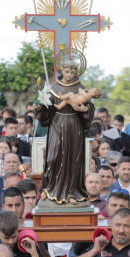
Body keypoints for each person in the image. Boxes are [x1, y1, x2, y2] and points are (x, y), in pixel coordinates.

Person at [34, 60, 96, 205]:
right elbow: (48, 111)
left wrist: (85, 109)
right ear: (61, 70)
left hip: (74, 126)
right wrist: (41, 108)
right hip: (57, 124)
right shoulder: (52, 88)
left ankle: (71, 191)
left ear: (76, 73)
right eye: (66, 71)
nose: (69, 74)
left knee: (72, 158)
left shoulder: (80, 88)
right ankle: (50, 189)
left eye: (72, 72)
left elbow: (89, 108)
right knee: (53, 157)